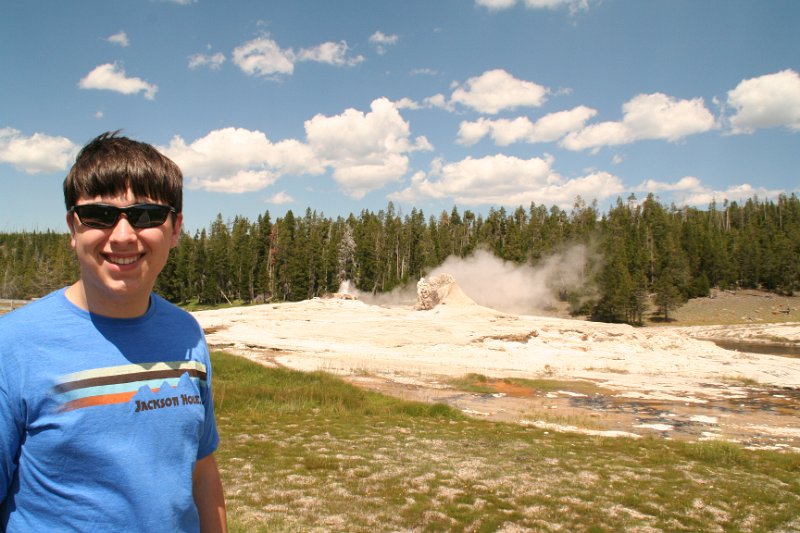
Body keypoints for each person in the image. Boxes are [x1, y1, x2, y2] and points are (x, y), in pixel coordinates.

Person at [0, 131, 227, 532]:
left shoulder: (187, 333)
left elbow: (201, 468)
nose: (123, 235)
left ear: (175, 231)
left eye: (146, 215)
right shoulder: (13, 345)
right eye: (100, 215)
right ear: (73, 228)